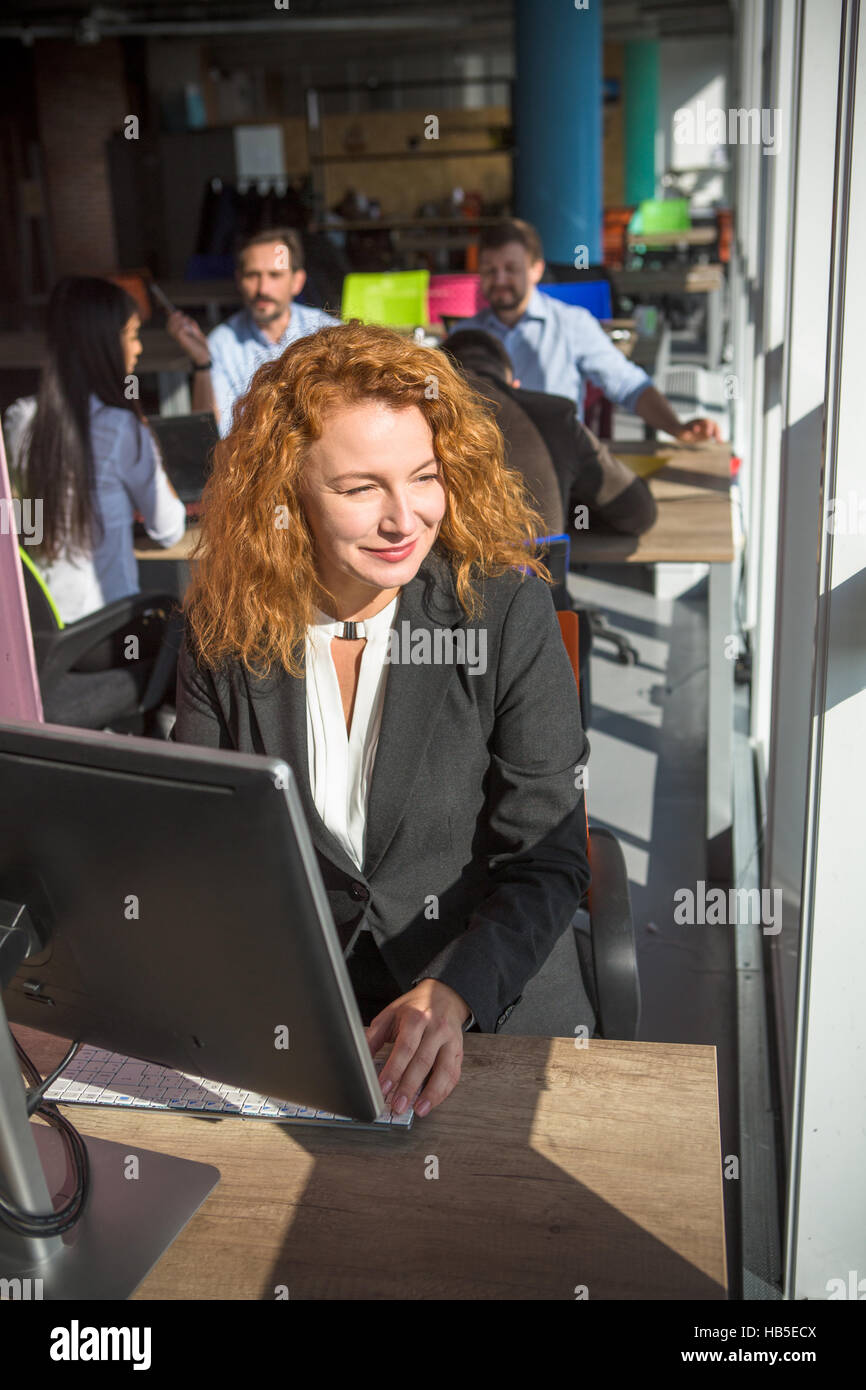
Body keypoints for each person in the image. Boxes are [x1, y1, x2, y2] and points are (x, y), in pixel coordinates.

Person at [173, 321, 593, 1118]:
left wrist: (457, 989)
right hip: (304, 1031)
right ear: (286, 494)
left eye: (425, 477)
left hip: (488, 1018)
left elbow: (549, 860)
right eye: (360, 488)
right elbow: (204, 851)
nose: (406, 519)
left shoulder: (501, 611)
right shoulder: (225, 631)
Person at [4, 275, 186, 624]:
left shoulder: (19, 418)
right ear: (103, 342)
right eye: (132, 335)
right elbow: (169, 530)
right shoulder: (121, 427)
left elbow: (28, 523)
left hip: (46, 631)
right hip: (108, 630)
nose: (138, 348)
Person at [456, 218, 723, 444]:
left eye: (511, 269)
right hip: (485, 469)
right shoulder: (462, 335)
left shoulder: (572, 324)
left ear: (537, 269)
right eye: (490, 270)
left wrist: (677, 428)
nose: (500, 279)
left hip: (557, 462)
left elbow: (627, 384)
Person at [441, 328, 657, 537]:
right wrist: (568, 513)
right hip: (536, 569)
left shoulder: (424, 413)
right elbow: (638, 512)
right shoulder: (555, 415)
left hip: (437, 572)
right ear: (514, 384)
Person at [165, 226, 339, 436]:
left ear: (297, 281)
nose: (263, 288)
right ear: (239, 280)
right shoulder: (222, 344)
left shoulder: (328, 333)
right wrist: (203, 364)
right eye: (252, 275)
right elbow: (211, 435)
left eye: (275, 275)